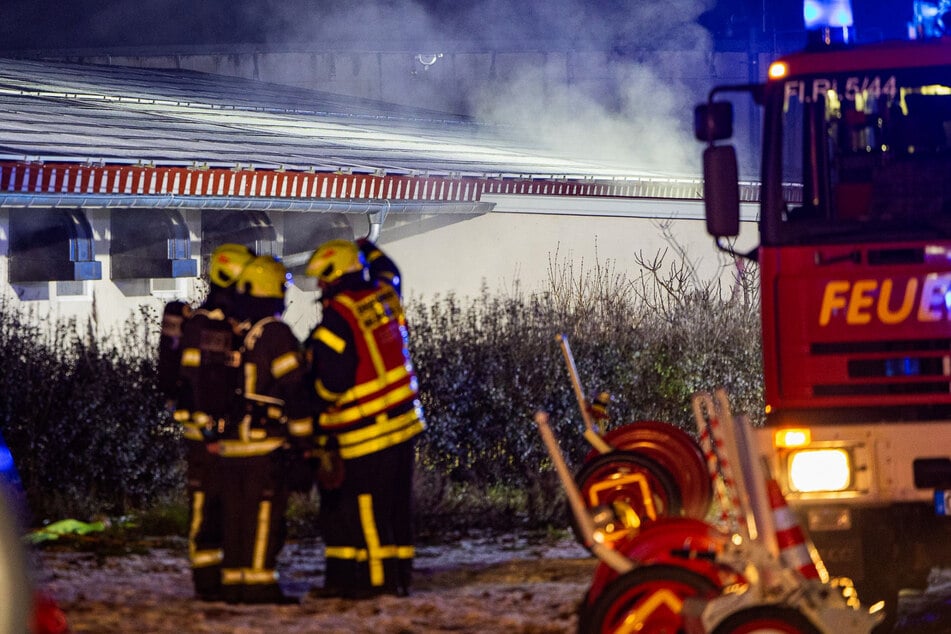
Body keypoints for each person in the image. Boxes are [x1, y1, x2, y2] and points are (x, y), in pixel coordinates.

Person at [304, 238, 425, 599]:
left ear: (334, 274)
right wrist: (367, 246)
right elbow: (392, 271)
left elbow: (331, 381)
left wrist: (315, 402)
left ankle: (377, 584)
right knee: (396, 508)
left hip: (364, 432)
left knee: (368, 510)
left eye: (323, 280)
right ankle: (399, 576)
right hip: (403, 425)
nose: (320, 288)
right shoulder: (384, 294)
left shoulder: (338, 314)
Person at [215, 254, 313, 604]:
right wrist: (304, 443)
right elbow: (295, 390)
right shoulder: (276, 334)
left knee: (235, 518)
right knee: (263, 518)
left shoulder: (234, 333)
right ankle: (258, 585)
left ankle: (233, 582)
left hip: (229, 445)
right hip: (264, 444)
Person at [173, 243, 256, 601]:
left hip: (227, 436)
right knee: (206, 510)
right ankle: (207, 584)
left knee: (229, 507)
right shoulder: (204, 325)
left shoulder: (229, 324)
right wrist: (207, 432)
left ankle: (226, 577)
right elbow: (194, 383)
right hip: (206, 437)